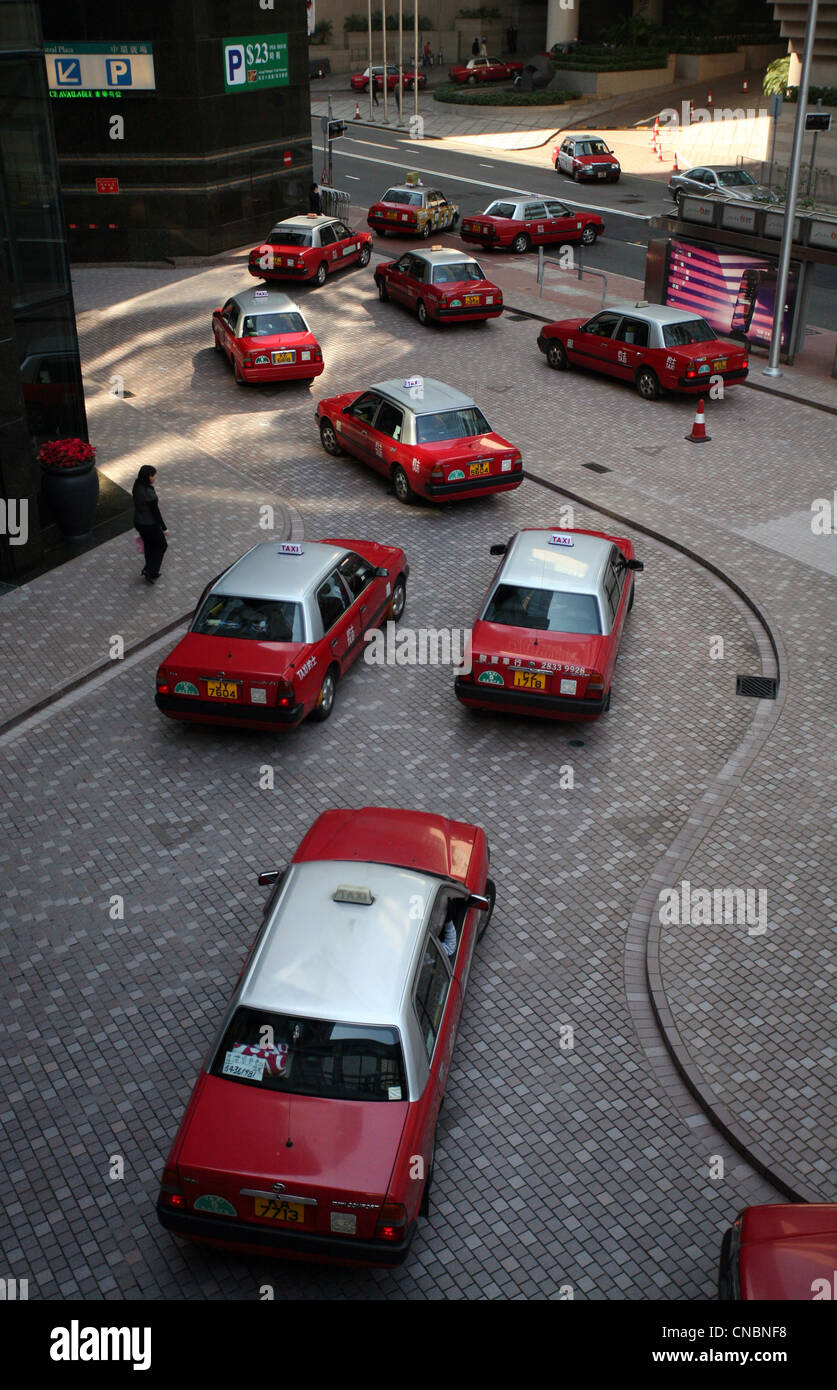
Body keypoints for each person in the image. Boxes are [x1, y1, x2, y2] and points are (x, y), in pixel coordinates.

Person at [132, 465, 167, 583]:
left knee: (149, 545)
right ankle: (150, 570)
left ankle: (151, 570)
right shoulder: (148, 493)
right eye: (153, 475)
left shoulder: (137, 486)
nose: (154, 478)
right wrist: (164, 528)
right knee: (162, 545)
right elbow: (155, 512)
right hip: (150, 524)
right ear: (148, 476)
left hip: (139, 522)